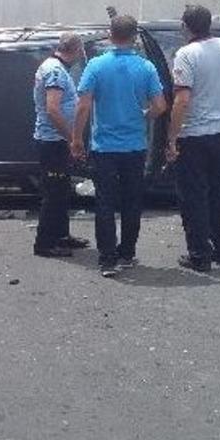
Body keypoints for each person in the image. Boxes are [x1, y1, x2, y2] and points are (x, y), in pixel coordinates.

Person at [72, 15, 166, 277]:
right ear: (135, 37)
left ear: (111, 36)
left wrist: (76, 139)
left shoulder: (96, 66)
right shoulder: (146, 67)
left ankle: (107, 260)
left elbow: (83, 106)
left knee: (104, 202)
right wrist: (143, 115)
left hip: (104, 148)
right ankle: (127, 254)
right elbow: (160, 106)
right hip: (135, 146)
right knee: (132, 201)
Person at [165, 5, 220, 273]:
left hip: (195, 136)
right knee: (218, 193)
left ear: (186, 27)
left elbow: (182, 100)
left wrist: (172, 138)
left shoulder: (185, 54)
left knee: (194, 196)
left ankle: (199, 254)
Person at [32, 33, 89, 258]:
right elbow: (52, 109)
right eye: (81, 51)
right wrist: (72, 138)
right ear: (76, 50)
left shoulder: (54, 66)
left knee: (62, 190)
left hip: (55, 140)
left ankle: (61, 235)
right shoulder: (55, 71)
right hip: (53, 141)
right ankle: (45, 243)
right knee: (54, 192)